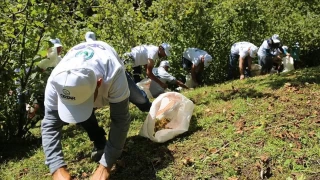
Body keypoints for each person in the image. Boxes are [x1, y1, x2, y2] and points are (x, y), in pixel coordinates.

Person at [41, 40, 131, 180]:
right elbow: (50, 125)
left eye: (84, 102)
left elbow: (120, 120)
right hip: (79, 56)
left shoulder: (113, 73)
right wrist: (57, 169)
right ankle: (100, 142)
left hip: (107, 57)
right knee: (84, 116)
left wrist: (104, 168)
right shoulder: (55, 81)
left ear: (99, 83)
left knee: (139, 99)